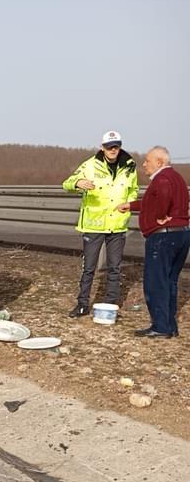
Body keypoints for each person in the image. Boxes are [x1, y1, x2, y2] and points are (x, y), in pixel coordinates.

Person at [62, 131, 139, 317]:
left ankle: (111, 306)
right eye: (109, 146)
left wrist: (128, 204)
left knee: (114, 268)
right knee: (89, 268)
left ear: (120, 146)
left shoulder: (129, 166)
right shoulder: (89, 165)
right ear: (102, 147)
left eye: (116, 146)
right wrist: (78, 183)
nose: (113, 150)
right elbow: (67, 183)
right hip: (93, 224)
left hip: (117, 223)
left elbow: (133, 190)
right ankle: (82, 304)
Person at [116, 146, 189, 338]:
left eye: (148, 161)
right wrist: (131, 205)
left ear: (160, 162)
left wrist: (160, 215)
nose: (144, 164)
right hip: (181, 234)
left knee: (155, 282)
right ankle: (169, 325)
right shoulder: (177, 177)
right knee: (170, 281)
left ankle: (160, 327)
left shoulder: (162, 179)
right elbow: (153, 201)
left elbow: (162, 197)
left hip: (163, 237)